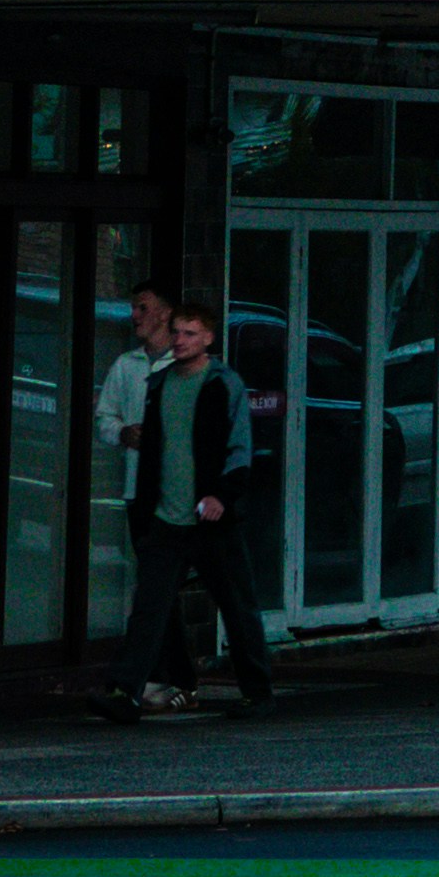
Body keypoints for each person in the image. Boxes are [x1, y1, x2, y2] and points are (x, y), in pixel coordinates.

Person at [100, 302, 278, 719]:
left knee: (237, 606)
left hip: (211, 520)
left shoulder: (223, 384)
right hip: (166, 517)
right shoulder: (159, 384)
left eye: (190, 333)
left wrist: (222, 496)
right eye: (177, 332)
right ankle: (125, 692)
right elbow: (153, 452)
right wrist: (147, 506)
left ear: (209, 339)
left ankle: (258, 692)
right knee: (149, 608)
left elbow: (239, 448)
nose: (180, 340)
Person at [88, 286, 195, 698]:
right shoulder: (127, 365)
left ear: (165, 314)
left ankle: (152, 675)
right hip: (140, 492)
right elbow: (105, 418)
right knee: (157, 586)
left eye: (142, 308)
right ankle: (173, 676)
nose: (134, 315)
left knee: (158, 587)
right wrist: (122, 432)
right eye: (133, 307)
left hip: (178, 494)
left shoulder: (184, 365)